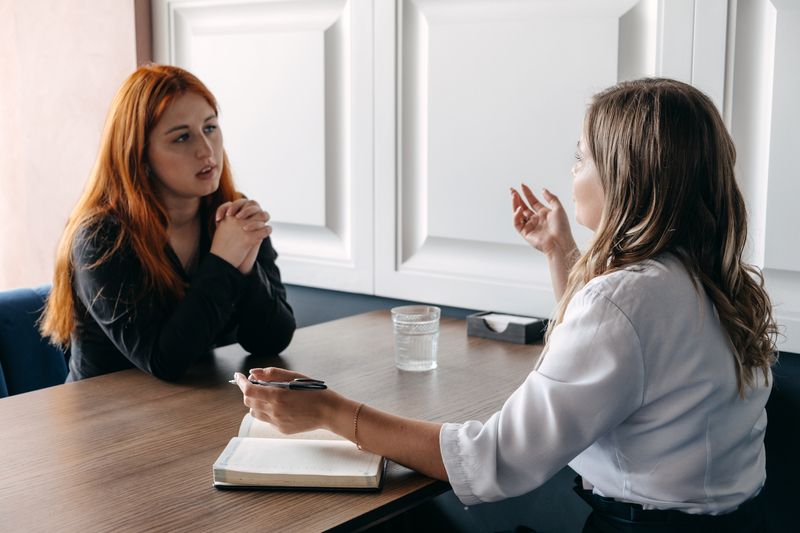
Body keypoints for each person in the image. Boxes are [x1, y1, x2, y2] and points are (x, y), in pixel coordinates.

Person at [233, 78, 777, 532]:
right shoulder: (709, 279)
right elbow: (620, 363)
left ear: (624, 176)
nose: (572, 169)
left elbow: (494, 460)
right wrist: (559, 251)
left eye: (581, 156)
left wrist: (327, 410)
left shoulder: (626, 298)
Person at [40, 64, 296, 382]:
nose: (206, 150)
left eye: (210, 128)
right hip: (104, 420)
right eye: (182, 138)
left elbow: (272, 341)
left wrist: (245, 268)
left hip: (188, 407)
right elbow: (165, 361)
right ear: (140, 155)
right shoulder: (101, 236)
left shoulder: (229, 213)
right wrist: (224, 262)